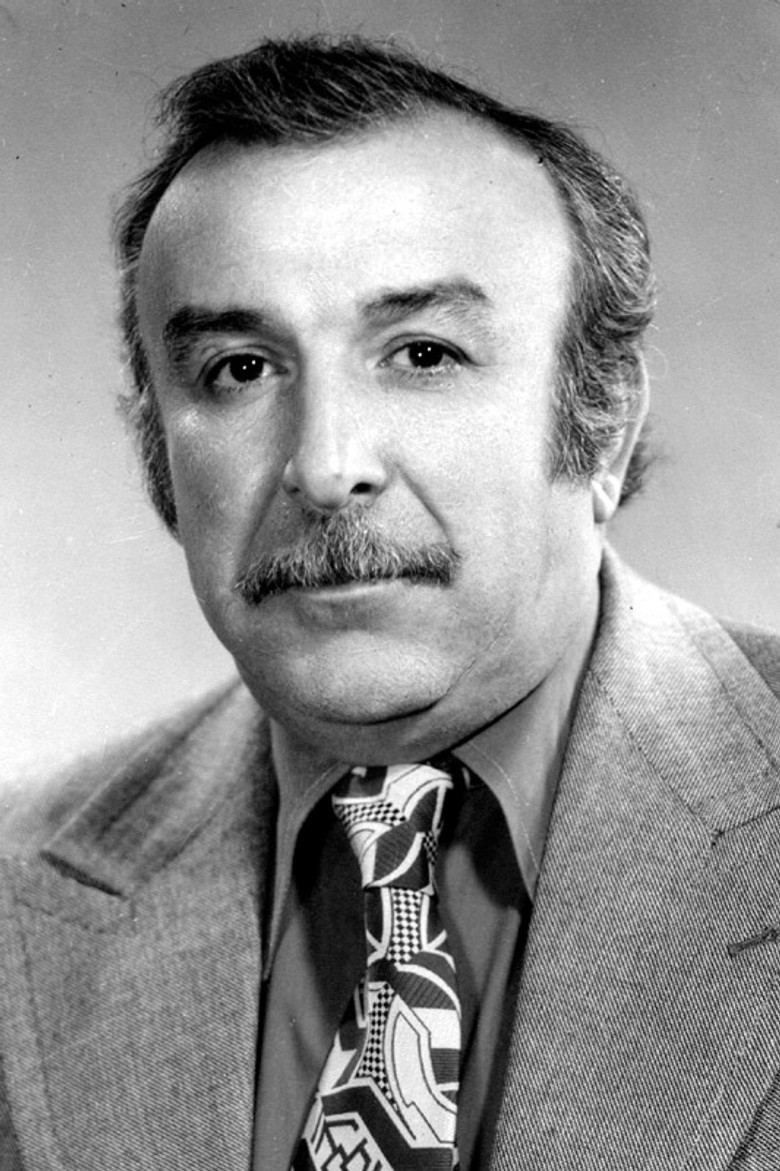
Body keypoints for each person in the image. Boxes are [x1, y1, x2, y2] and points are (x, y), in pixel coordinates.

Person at [1, 34, 779, 1171]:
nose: (326, 466)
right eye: (239, 368)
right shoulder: (18, 888)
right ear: (158, 454)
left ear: (603, 419)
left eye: (421, 354)